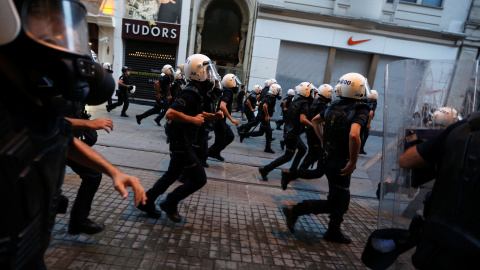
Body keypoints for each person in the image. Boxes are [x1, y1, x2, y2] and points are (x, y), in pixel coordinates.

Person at [0, 1, 146, 268]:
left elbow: (61, 137)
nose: (64, 36)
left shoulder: (34, 100)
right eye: (47, 18)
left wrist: (115, 172)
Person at [362, 109, 478, 270]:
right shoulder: (460, 131)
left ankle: (394, 194)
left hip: (441, 242)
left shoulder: (462, 132)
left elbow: (408, 160)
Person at [282, 73, 370, 244]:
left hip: (327, 157)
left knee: (338, 200)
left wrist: (323, 141)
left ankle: (333, 231)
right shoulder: (361, 109)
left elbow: (315, 121)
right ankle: (296, 211)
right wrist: (353, 161)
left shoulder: (333, 105)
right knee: (339, 202)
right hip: (341, 163)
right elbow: (354, 135)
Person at [136, 54, 223, 221]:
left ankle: (146, 202)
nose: (209, 76)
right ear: (198, 73)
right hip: (182, 143)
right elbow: (170, 113)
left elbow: (195, 113)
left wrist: (213, 116)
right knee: (199, 178)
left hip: (182, 141)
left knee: (171, 175)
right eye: (207, 71)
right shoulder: (190, 93)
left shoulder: (195, 91)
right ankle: (170, 202)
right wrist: (193, 120)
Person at [62, 100, 114, 234]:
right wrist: (88, 124)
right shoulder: (56, 86)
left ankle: (78, 221)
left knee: (93, 174)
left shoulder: (77, 89)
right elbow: (49, 118)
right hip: (49, 142)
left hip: (67, 142)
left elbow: (77, 112)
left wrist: (86, 128)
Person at [281, 84, 333, 189]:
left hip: (310, 132)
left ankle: (297, 171)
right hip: (315, 133)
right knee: (315, 155)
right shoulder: (321, 105)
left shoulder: (315, 101)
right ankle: (297, 172)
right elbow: (319, 121)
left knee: (311, 153)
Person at [258, 82, 313, 181]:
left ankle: (293, 170)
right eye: (311, 92)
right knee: (288, 156)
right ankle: (266, 169)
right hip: (293, 134)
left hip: (289, 131)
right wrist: (313, 126)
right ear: (307, 92)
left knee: (303, 149)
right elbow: (303, 119)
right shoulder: (304, 103)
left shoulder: (295, 101)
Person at [239, 83, 282, 154]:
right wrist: (267, 115)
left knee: (263, 132)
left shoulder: (268, 95)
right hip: (264, 117)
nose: (279, 93)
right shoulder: (271, 97)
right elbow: (265, 105)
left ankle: (244, 134)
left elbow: (262, 102)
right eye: (278, 91)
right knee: (265, 132)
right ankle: (267, 148)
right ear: (275, 91)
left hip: (262, 115)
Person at [208, 73, 240, 162]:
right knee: (220, 142)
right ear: (231, 83)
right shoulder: (228, 92)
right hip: (219, 121)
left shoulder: (226, 91)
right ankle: (205, 155)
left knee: (229, 136)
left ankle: (215, 152)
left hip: (221, 121)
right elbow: (222, 105)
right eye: (235, 82)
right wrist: (232, 119)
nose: (236, 85)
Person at [360, 89, 378, 155]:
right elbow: (370, 114)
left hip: (359, 117)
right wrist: (368, 124)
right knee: (365, 134)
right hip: (365, 120)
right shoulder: (374, 102)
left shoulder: (363, 99)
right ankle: (360, 149)